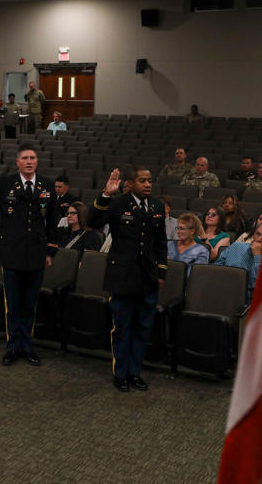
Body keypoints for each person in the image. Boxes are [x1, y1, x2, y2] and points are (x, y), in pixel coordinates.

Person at [0, 143, 59, 367]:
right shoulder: (6, 182)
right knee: (13, 304)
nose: (29, 162)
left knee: (30, 304)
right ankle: (12, 346)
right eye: (25, 158)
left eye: (32, 158)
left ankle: (27, 346)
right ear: (17, 162)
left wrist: (50, 251)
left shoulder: (47, 185)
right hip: (11, 253)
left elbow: (54, 221)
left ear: (37, 162)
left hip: (37, 253)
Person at [88, 165, 167, 392]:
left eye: (150, 180)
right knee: (122, 328)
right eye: (142, 180)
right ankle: (121, 373)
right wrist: (106, 194)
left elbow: (161, 243)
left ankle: (135, 372)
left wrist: (161, 272)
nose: (148, 184)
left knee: (143, 328)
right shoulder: (118, 203)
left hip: (147, 278)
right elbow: (93, 223)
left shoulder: (157, 206)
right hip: (122, 277)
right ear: (130, 184)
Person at [215, 221, 262, 304]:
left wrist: (258, 256)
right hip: (223, 293)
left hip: (250, 303)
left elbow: (258, 287)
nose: (259, 239)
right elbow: (215, 269)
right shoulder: (236, 246)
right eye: (257, 234)